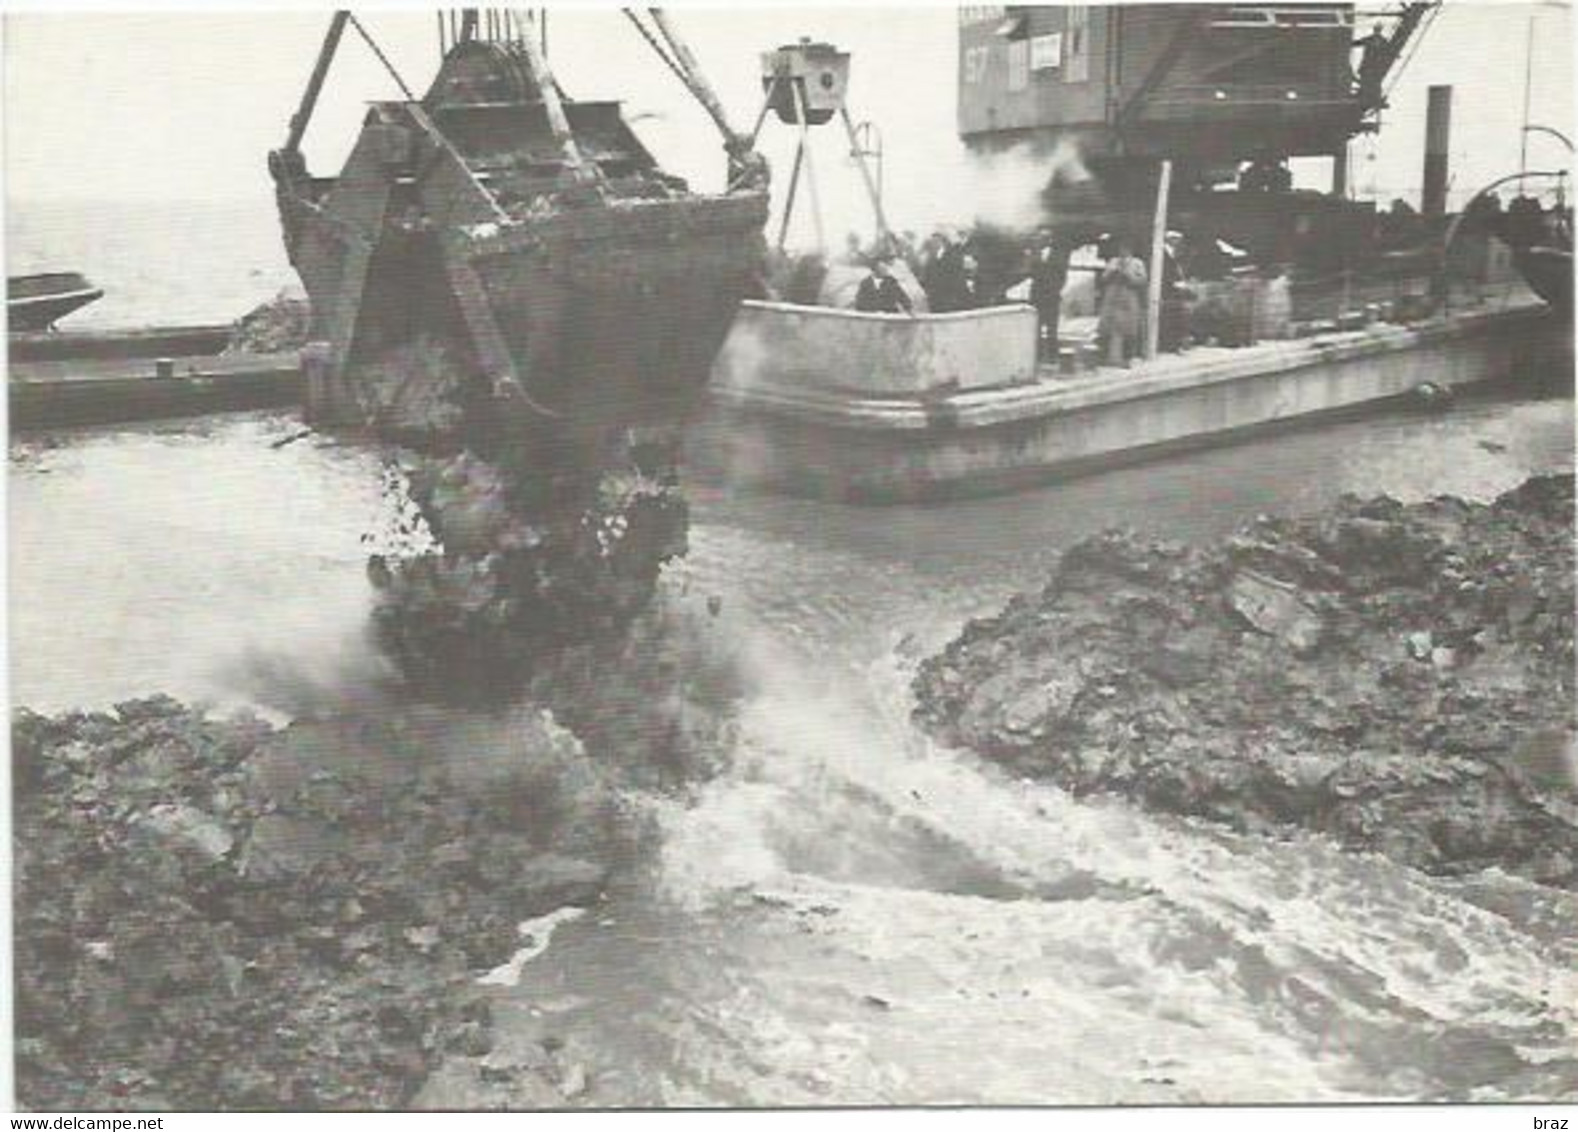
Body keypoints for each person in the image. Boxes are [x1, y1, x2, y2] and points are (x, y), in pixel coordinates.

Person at [1097, 237, 1148, 367]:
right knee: (1107, 328)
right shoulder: (1113, 261)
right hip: (1112, 297)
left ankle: (1127, 358)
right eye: (1121, 248)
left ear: (1131, 250)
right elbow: (1103, 278)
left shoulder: (1138, 263)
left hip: (1128, 298)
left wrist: (1128, 276)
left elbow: (1142, 281)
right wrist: (1110, 273)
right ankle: (1106, 357)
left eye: (1126, 248)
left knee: (1129, 329)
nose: (1123, 251)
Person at [1028, 229, 1071, 361]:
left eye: (1043, 238)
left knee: (1052, 327)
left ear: (1049, 240)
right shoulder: (1034, 255)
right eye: (1039, 238)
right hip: (1037, 295)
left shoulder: (1059, 255)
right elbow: (1031, 272)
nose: (1040, 241)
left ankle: (1052, 355)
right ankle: (1038, 355)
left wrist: (1055, 289)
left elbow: (1062, 276)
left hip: (1051, 295)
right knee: (1036, 327)